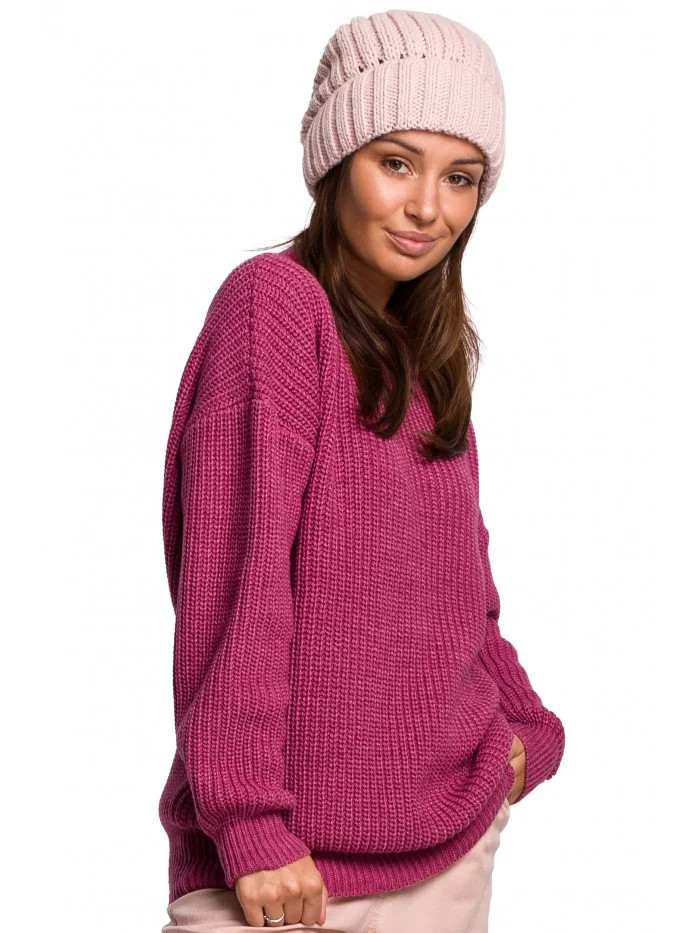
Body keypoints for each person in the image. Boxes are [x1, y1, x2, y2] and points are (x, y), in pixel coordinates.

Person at [157, 10, 566, 932]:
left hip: (449, 849)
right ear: (337, 160)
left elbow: (464, 598)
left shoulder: (428, 363)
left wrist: (525, 731)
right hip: (282, 873)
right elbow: (235, 582)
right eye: (397, 162)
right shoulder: (273, 305)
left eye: (460, 177)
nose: (428, 208)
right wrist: (249, 822)